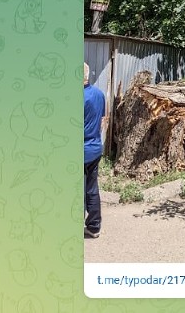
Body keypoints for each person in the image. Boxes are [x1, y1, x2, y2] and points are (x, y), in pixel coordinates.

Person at [83, 62, 105, 238]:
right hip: (96, 147)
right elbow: (102, 120)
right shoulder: (99, 94)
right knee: (91, 188)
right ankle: (94, 226)